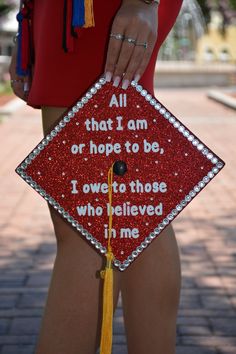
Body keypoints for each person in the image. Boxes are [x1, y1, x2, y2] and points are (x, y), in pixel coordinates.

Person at [9, 0, 183, 353]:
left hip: (90, 10)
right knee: (132, 212)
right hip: (66, 11)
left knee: (85, 225)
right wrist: (26, 23)